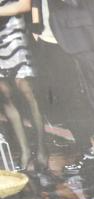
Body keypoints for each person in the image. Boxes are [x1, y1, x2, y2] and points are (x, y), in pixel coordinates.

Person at [31, 0, 94, 175]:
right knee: (69, 100)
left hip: (78, 36)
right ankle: (86, 152)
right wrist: (36, 25)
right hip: (49, 38)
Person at [0, 0, 47, 172]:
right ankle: (25, 151)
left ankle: (42, 148)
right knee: (5, 95)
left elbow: (25, 5)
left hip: (15, 32)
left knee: (28, 91)